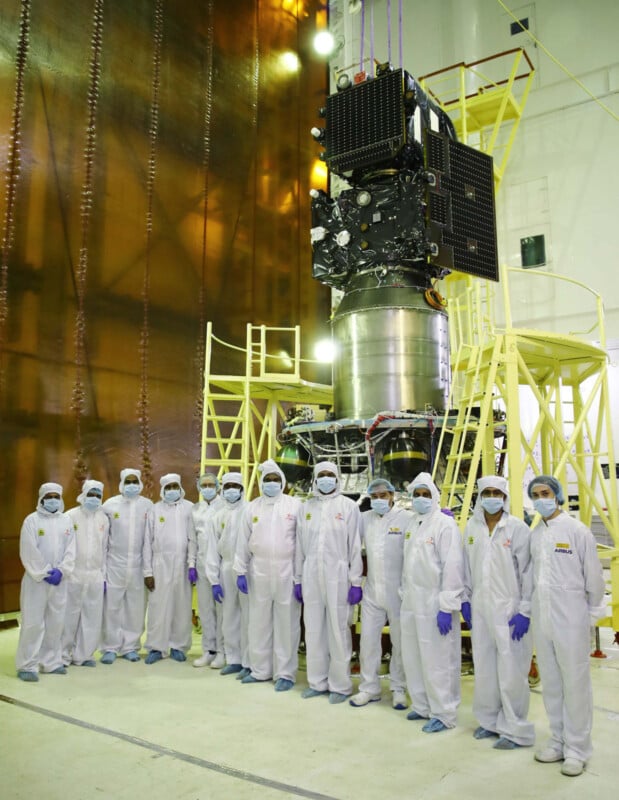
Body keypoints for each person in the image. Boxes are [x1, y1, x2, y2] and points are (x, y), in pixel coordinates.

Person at [527, 475, 606, 777]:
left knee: (575, 685)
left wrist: (591, 616)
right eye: (535, 494)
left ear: (557, 494)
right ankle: (558, 740)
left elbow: (594, 578)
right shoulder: (536, 535)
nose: (540, 499)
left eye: (545, 492)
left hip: (571, 619)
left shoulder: (577, 531)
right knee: (553, 685)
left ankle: (577, 749)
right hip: (544, 619)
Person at [463, 475, 535, 749]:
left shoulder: (517, 528)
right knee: (485, 668)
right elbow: (467, 566)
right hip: (481, 609)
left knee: (512, 671)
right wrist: (466, 600)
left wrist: (525, 610)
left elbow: (528, 572)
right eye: (487, 492)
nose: (492, 497)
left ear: (505, 497)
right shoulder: (472, 526)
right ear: (480, 497)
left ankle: (516, 729)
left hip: (510, 609)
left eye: (497, 493)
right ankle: (490, 722)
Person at [400, 472, 465, 732]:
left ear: (435, 497)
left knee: (438, 659)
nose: (421, 499)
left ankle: (444, 713)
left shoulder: (444, 525)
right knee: (414, 656)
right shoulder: (412, 523)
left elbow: (452, 565)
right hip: (412, 601)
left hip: (435, 601)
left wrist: (447, 604)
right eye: (417, 494)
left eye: (426, 495)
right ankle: (422, 705)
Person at [295, 461, 363, 704]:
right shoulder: (306, 508)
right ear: (315, 478)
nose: (325, 479)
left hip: (339, 575)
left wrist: (356, 581)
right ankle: (317, 681)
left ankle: (341, 686)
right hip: (311, 573)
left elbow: (355, 545)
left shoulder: (348, 507)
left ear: (337, 478)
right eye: (321, 475)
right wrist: (298, 579)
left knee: (338, 630)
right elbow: (299, 547)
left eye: (329, 475)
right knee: (313, 630)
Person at [234, 459, 303, 691]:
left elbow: (302, 543)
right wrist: (240, 570)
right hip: (258, 571)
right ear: (261, 483)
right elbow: (242, 541)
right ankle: (260, 670)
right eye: (267, 480)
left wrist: (300, 577)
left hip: (287, 571)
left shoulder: (295, 506)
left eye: (275, 480)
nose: (271, 484)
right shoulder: (252, 507)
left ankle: (285, 673)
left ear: (282, 482)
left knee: (287, 623)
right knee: (258, 622)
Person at [350, 478, 411, 711]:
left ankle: (398, 688)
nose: (378, 500)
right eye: (374, 497)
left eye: (383, 496)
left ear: (392, 496)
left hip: (399, 592)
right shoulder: (364, 519)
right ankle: (369, 688)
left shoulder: (406, 519)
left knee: (400, 642)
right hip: (373, 591)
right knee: (368, 642)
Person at [15, 483, 76, 681]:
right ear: (41, 498)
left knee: (56, 622)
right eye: (49, 496)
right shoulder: (31, 521)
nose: (53, 500)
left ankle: (51, 662)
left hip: (59, 581)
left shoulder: (66, 521)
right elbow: (28, 550)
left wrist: (62, 570)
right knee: (33, 623)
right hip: (37, 581)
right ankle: (27, 665)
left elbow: (71, 550)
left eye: (56, 496)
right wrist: (43, 572)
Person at [100, 468, 153, 663]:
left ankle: (130, 646)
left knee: (135, 608)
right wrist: (102, 572)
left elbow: (149, 540)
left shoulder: (147, 506)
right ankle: (110, 647)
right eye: (128, 481)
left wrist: (148, 570)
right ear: (122, 483)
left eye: (134, 481)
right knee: (112, 607)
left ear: (139, 482)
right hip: (114, 563)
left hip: (138, 565)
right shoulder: (109, 505)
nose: (131, 485)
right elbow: (103, 540)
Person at [143, 474, 197, 664]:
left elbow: (192, 539)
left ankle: (178, 646)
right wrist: (147, 572)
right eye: (168, 487)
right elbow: (147, 543)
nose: (172, 490)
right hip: (160, 564)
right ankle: (156, 647)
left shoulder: (190, 508)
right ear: (163, 490)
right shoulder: (155, 510)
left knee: (182, 606)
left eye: (175, 486)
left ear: (180, 488)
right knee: (158, 606)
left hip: (182, 564)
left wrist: (192, 564)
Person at [205, 472, 249, 676]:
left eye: (235, 486)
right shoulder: (217, 516)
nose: (231, 490)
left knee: (248, 616)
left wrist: (244, 569)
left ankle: (249, 660)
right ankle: (232, 658)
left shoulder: (250, 510)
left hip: (248, 570)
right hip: (225, 568)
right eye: (228, 486)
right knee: (228, 615)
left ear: (241, 489)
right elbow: (212, 549)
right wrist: (214, 580)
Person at [62, 480, 109, 667]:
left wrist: (103, 576)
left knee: (92, 617)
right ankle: (63, 655)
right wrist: (66, 571)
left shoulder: (103, 519)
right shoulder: (70, 516)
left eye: (98, 495)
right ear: (83, 494)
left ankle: (84, 655)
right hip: (73, 574)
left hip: (95, 575)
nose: (94, 498)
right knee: (69, 616)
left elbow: (104, 549)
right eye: (91, 494)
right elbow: (64, 547)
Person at [192, 472, 225, 668]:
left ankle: (223, 651)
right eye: (203, 485)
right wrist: (191, 564)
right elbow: (192, 540)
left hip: (221, 568)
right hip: (202, 566)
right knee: (205, 610)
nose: (207, 488)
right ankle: (208, 650)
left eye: (211, 485)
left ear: (218, 486)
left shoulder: (225, 507)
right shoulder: (196, 510)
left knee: (223, 612)